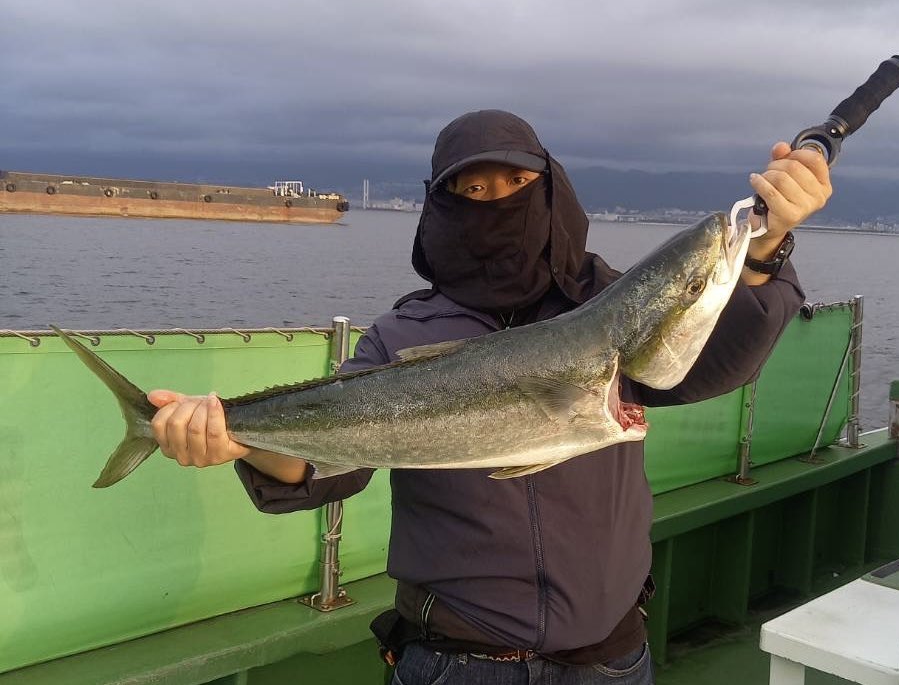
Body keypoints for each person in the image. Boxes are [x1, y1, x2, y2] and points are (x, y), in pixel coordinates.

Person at [148, 110, 832, 684]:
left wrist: (765, 250)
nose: (497, 200)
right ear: (441, 208)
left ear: (550, 188)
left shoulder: (604, 303)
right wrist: (236, 438)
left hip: (611, 659)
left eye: (516, 182)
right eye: (472, 191)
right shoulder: (402, 334)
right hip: (456, 662)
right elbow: (331, 466)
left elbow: (707, 363)